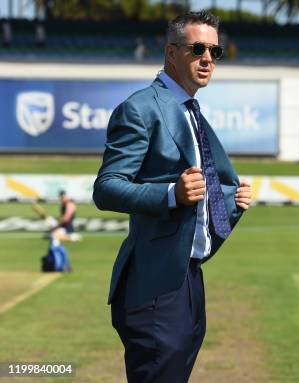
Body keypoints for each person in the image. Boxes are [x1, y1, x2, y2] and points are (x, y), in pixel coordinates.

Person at [93, 11, 252, 383]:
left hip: (189, 278)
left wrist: (232, 203)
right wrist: (170, 194)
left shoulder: (192, 111)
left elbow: (203, 191)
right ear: (170, 53)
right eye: (198, 49)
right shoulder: (141, 108)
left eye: (216, 50)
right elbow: (106, 187)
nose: (208, 59)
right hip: (154, 284)